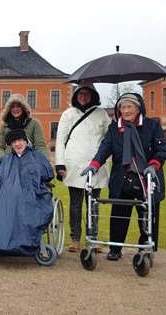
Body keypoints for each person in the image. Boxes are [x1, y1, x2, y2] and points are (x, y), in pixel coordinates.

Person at [81, 93, 166, 261]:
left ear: (138, 109)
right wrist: (94, 164)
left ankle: (146, 247)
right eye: (123, 107)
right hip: (123, 178)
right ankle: (115, 249)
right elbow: (105, 148)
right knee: (119, 215)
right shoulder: (115, 128)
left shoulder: (152, 126)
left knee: (148, 215)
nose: (126, 110)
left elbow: (162, 150)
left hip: (146, 178)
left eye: (130, 107)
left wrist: (153, 165)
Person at [55, 83, 111, 253]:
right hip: (74, 164)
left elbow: (109, 138)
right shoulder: (68, 114)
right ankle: (75, 239)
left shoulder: (101, 114)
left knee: (94, 204)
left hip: (96, 164)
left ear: (93, 95)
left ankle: (93, 238)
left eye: (87, 94)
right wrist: (60, 163)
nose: (83, 96)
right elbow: (60, 140)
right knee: (75, 204)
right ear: (75, 95)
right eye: (80, 93)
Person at [0, 129, 54, 256]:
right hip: (6, 197)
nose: (17, 144)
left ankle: (22, 244)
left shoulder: (37, 156)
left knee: (21, 203)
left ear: (25, 141)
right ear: (11, 145)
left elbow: (48, 175)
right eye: (14, 142)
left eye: (20, 141)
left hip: (32, 195)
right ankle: (0, 243)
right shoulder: (5, 160)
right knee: (0, 204)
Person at [0, 94, 51, 164]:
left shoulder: (34, 123)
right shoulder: (4, 125)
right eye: (12, 106)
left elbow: (40, 146)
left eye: (18, 106)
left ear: (24, 108)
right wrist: (4, 160)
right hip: (10, 162)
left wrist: (46, 162)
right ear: (9, 109)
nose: (15, 109)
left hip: (30, 162)